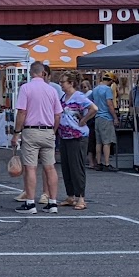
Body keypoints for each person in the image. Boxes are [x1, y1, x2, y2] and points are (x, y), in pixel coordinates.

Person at [12, 62, 63, 213]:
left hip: (31, 131)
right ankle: (52, 202)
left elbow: (22, 112)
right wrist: (53, 130)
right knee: (50, 167)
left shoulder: (26, 88)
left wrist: (16, 132)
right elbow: (58, 114)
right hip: (48, 131)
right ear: (43, 73)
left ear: (31, 73)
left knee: (30, 167)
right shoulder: (52, 90)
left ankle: (30, 203)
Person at [57, 73, 92, 212]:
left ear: (71, 83)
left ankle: (81, 197)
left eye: (63, 82)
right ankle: (70, 195)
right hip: (65, 135)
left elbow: (93, 108)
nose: (61, 84)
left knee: (77, 167)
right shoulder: (63, 97)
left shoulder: (79, 96)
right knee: (66, 167)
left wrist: (84, 120)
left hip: (77, 135)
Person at [90, 72, 118, 171]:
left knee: (99, 142)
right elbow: (110, 104)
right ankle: (106, 163)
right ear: (110, 80)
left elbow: (90, 102)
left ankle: (98, 163)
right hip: (106, 117)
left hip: (97, 117)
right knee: (107, 142)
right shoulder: (107, 90)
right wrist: (115, 117)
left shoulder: (95, 89)